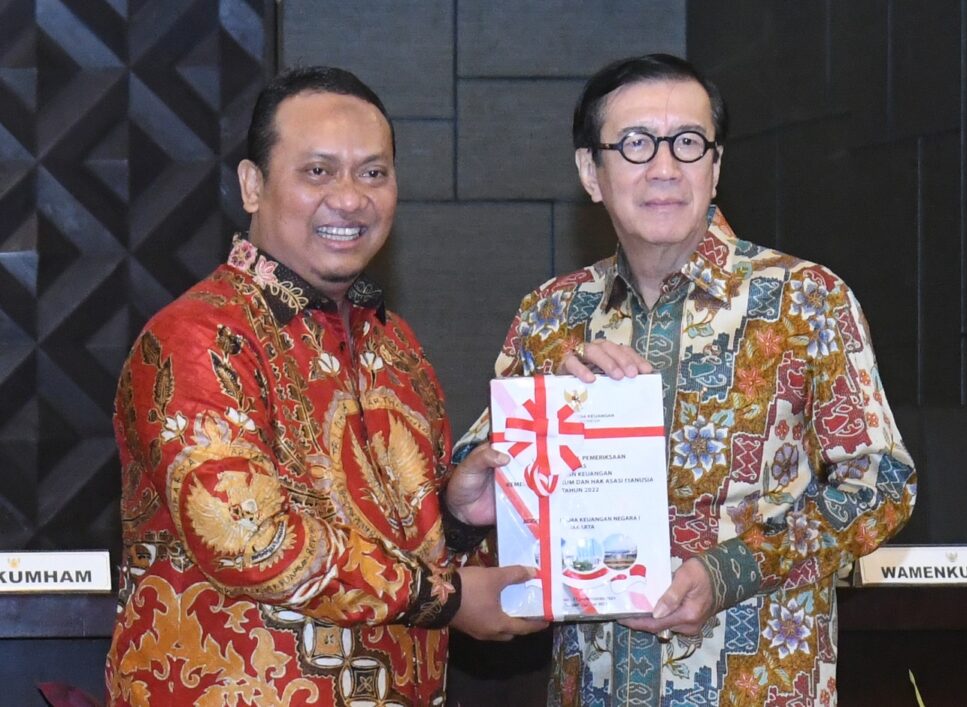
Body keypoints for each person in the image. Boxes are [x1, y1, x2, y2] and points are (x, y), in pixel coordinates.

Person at [454, 53, 918, 705]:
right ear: (590, 172)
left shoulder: (805, 301)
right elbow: (482, 515)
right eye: (636, 144)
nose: (665, 167)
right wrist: (468, 499)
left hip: (759, 688)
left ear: (716, 166)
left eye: (689, 143)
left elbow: (882, 484)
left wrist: (731, 571)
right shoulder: (551, 316)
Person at [104, 65, 546, 706]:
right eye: (318, 171)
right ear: (252, 185)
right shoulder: (197, 339)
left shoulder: (397, 348)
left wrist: (456, 519)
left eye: (373, 173)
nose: (350, 198)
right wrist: (445, 599)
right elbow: (250, 540)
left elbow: (403, 551)